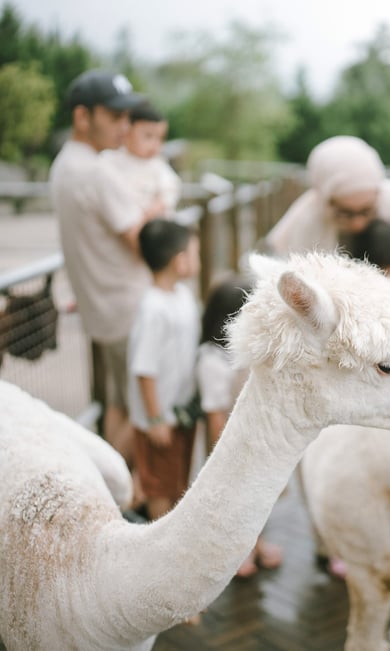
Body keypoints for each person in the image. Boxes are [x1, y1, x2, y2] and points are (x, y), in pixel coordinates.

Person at [49, 69, 165, 475]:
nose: (124, 126)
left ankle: (110, 492)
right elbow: (143, 240)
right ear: (84, 116)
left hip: (102, 312)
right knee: (148, 409)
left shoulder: (64, 165)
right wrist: (155, 211)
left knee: (118, 403)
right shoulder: (98, 172)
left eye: (126, 117)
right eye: (115, 117)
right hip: (127, 309)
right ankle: (106, 489)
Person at [264, 135, 390, 359]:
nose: (357, 222)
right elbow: (302, 291)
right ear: (325, 198)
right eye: (345, 212)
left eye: (366, 210)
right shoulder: (307, 221)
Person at [195, 275, 283, 577]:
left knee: (255, 498)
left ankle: (256, 542)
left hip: (252, 437)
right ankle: (234, 554)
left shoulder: (241, 352)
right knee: (231, 504)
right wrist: (228, 456)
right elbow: (215, 413)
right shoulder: (211, 361)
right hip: (229, 444)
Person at [127, 219, 200, 520]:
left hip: (180, 411)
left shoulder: (182, 297)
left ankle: (170, 531)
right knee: (159, 485)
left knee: (176, 479)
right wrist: (155, 418)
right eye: (195, 253)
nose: (198, 260)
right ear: (180, 261)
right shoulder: (153, 308)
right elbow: (144, 369)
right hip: (160, 419)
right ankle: (158, 534)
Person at [100, 100, 182, 219]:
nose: (155, 144)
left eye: (161, 138)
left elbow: (170, 188)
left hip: (151, 223)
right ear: (127, 132)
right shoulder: (110, 159)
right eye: (148, 136)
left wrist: (158, 206)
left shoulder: (156, 164)